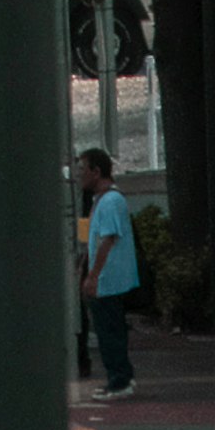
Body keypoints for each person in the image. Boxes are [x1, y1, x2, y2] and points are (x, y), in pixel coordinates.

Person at [81, 148, 142, 396]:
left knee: (110, 330)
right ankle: (120, 376)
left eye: (83, 170)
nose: (79, 176)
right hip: (106, 278)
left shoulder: (111, 201)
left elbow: (107, 239)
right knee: (109, 329)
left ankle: (120, 380)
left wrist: (93, 275)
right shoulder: (102, 200)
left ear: (97, 171)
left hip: (109, 279)